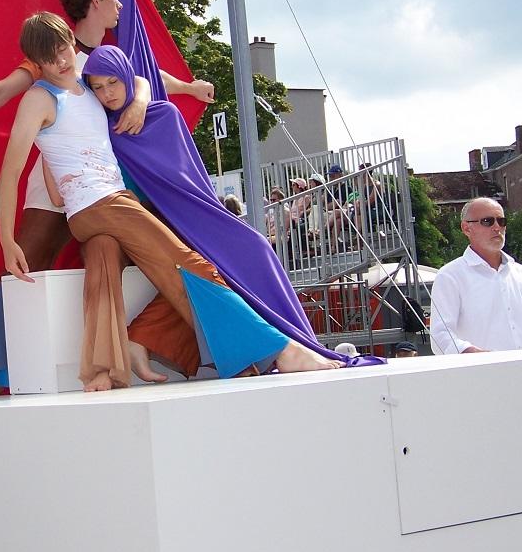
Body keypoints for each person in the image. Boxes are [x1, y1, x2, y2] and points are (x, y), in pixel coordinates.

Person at [0, 0, 214, 400]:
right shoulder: (53, 55)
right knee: (24, 266)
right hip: (56, 185)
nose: (119, 7)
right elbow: (1, 90)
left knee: (145, 253)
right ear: (95, 0)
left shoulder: (101, 58)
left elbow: (143, 76)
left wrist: (179, 90)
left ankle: (134, 349)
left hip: (100, 185)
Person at [0, 13, 342, 391]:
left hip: (101, 208)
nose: (61, 61)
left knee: (102, 263)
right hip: (100, 203)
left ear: (70, 41)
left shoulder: (86, 85)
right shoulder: (38, 97)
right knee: (190, 265)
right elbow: (9, 172)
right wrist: (6, 240)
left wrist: (141, 101)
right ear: (37, 63)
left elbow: (142, 77)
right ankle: (277, 351)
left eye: (64, 49)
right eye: (49, 59)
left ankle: (104, 370)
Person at [81, 46, 381, 367]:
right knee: (209, 269)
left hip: (193, 214)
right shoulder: (98, 128)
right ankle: (281, 351)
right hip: (145, 219)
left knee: (256, 248)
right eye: (97, 87)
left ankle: (295, 342)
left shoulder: (164, 115)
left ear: (126, 78)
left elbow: (190, 179)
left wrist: (152, 97)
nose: (106, 93)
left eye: (113, 82)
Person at [429, 198, 522, 353]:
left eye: (502, 221)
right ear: (466, 228)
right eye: (487, 221)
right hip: (479, 374)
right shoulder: (450, 276)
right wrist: (479, 357)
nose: (497, 227)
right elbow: (441, 336)